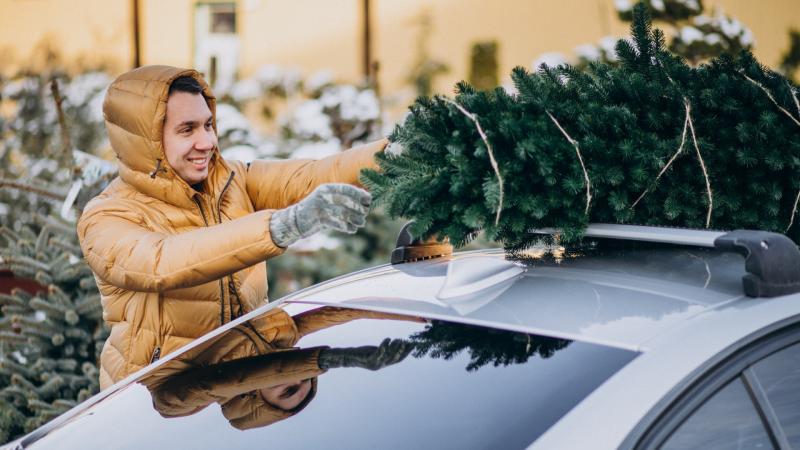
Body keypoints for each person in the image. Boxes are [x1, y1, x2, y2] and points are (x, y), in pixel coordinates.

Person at [77, 65, 389, 389]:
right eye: (187, 130)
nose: (207, 141)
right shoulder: (107, 216)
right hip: (152, 410)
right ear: (146, 141)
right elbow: (161, 263)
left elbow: (313, 175)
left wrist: (391, 155)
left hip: (241, 387)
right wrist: (284, 226)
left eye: (208, 125)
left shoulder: (232, 180)